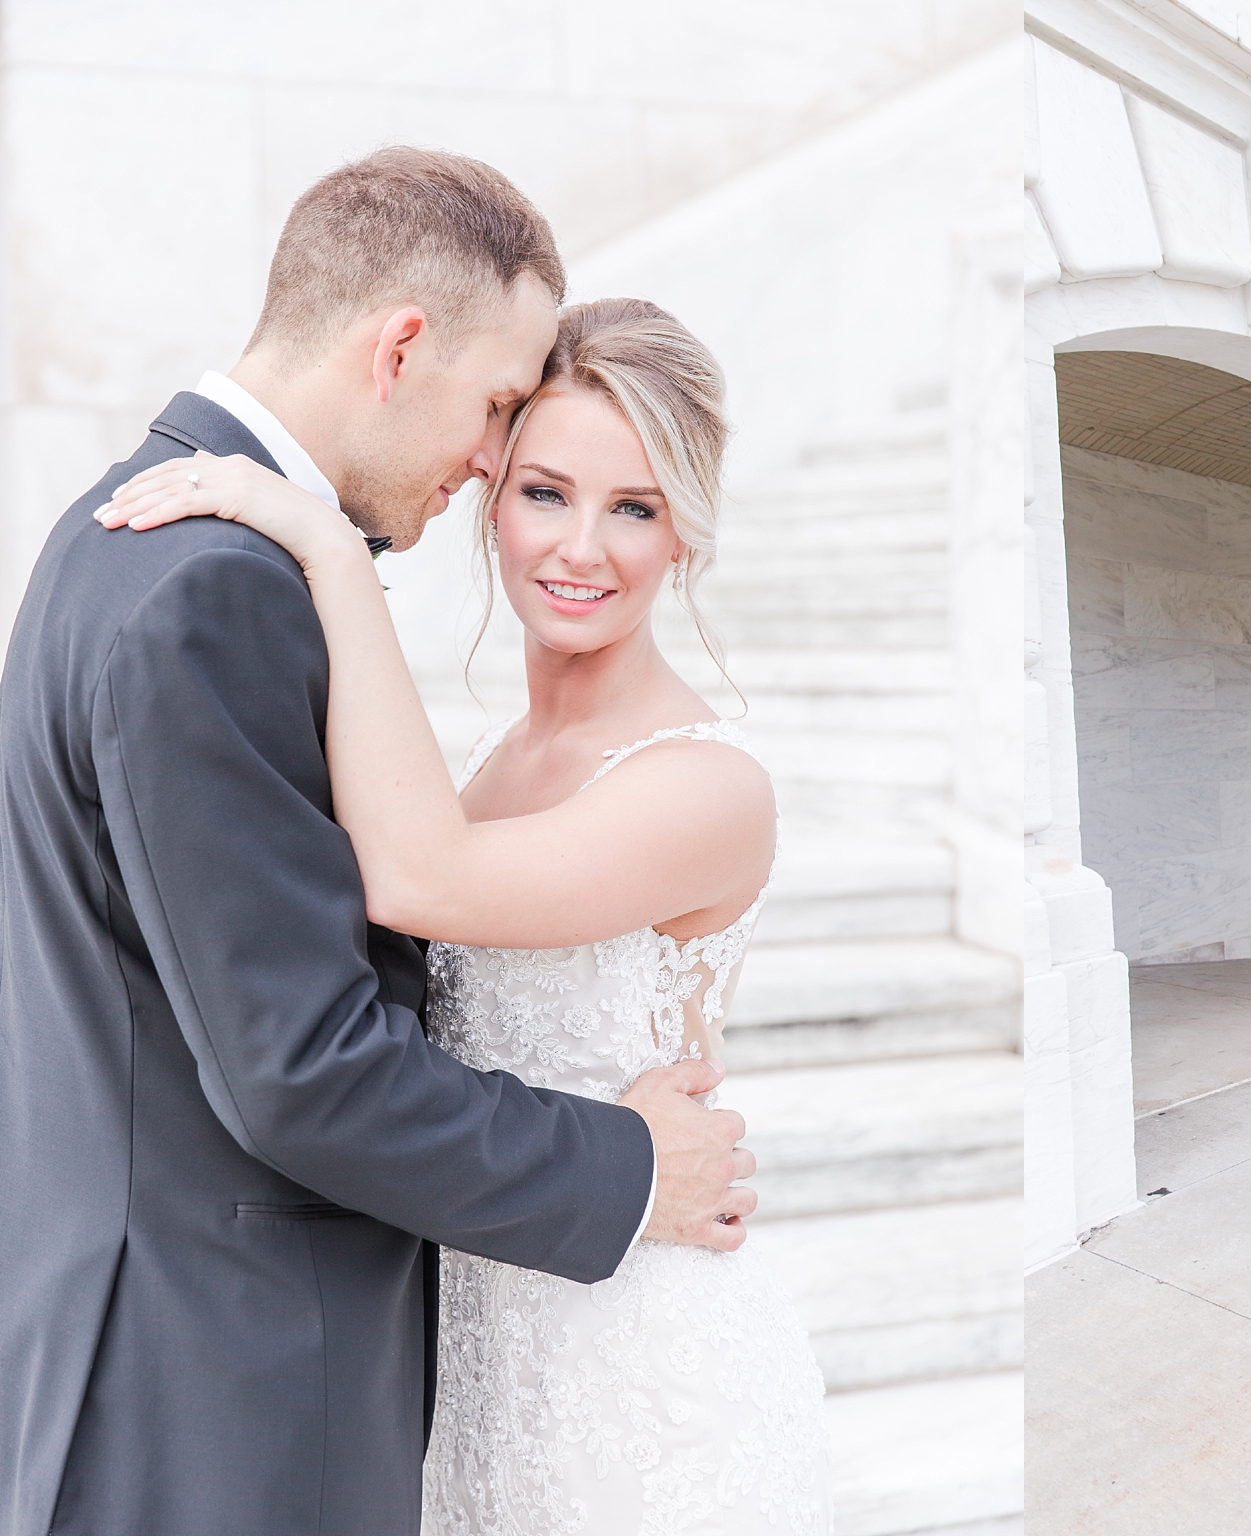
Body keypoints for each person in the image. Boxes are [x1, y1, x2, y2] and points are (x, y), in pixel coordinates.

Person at [0, 150, 757, 1536]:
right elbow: (302, 1071)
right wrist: (630, 1167)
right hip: (218, 1387)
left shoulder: (119, 535)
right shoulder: (216, 590)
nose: (488, 463)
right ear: (400, 346)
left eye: (633, 505)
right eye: (497, 418)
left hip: (210, 1350)